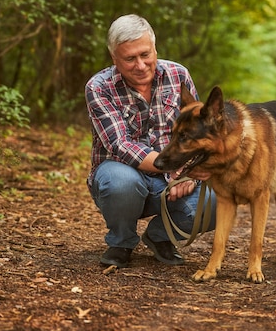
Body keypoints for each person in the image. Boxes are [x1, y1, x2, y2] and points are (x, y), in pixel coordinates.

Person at [85, 14, 216, 268]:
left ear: (155, 49)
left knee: (217, 200)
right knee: (121, 181)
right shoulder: (98, 87)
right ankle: (121, 242)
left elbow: (198, 133)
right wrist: (175, 167)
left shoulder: (179, 75)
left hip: (171, 178)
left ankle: (160, 236)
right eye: (130, 58)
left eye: (145, 54)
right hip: (121, 179)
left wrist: (187, 174)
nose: (141, 65)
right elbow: (120, 145)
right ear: (114, 58)